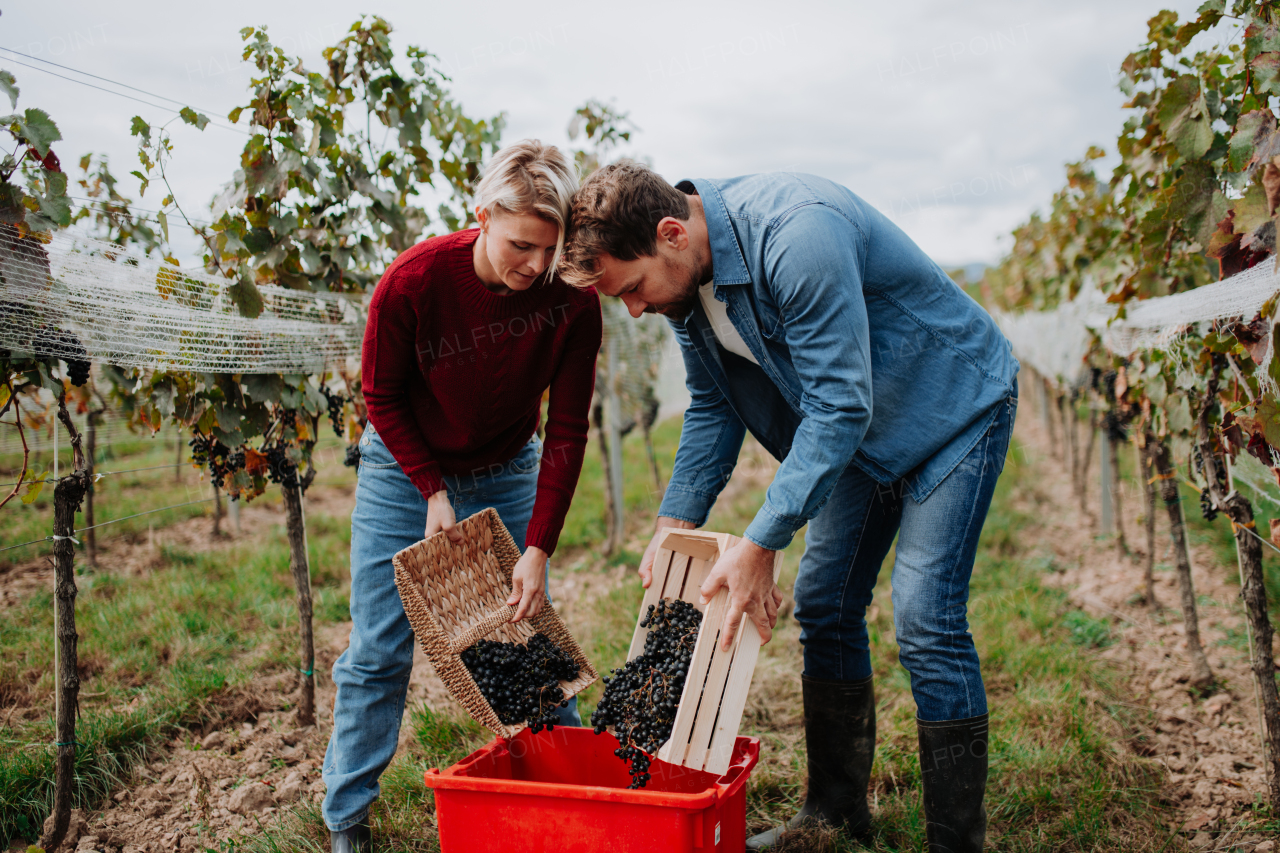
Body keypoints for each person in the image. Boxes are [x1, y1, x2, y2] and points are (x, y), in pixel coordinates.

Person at [559, 162, 1018, 853]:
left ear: (672, 233)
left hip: (952, 409)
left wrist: (762, 539)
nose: (633, 308)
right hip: (864, 433)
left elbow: (838, 404)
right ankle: (835, 813)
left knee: (924, 616)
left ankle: (957, 844)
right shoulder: (685, 292)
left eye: (630, 288)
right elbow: (713, 406)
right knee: (827, 603)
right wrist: (671, 525)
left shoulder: (796, 232)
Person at [323, 140, 602, 853]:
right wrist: (431, 488)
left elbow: (568, 429)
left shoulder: (570, 301)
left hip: (510, 464)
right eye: (521, 245)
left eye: (550, 247)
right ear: (481, 215)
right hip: (402, 466)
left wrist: (537, 547)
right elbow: (380, 394)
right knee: (380, 647)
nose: (537, 264)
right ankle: (346, 819)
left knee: (526, 632)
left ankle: (575, 795)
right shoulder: (414, 281)